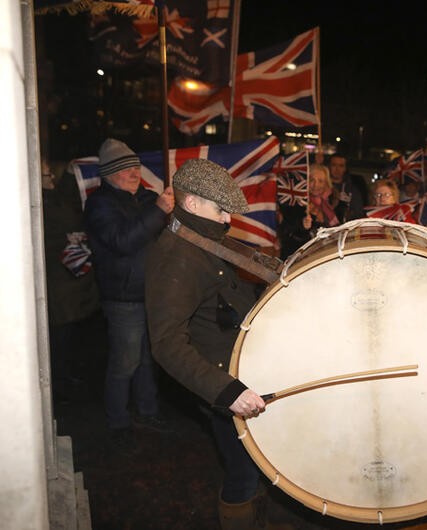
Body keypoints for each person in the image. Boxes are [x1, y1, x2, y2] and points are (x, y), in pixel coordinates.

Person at [144, 159, 284, 530]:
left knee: (259, 464)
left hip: (237, 366)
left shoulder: (201, 236)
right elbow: (166, 344)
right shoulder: (176, 257)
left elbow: (254, 266)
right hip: (221, 382)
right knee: (243, 472)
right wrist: (228, 392)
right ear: (192, 205)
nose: (227, 220)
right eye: (221, 210)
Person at [83, 138, 174, 453]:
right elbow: (123, 240)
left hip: (153, 294)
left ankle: (148, 412)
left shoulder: (149, 199)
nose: (134, 171)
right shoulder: (100, 204)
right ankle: (118, 420)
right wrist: (159, 210)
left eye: (135, 166)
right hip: (123, 298)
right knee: (125, 362)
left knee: (148, 359)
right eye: (125, 168)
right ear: (109, 173)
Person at [42, 159, 101, 403]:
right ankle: (58, 384)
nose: (50, 178)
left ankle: (63, 380)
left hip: (65, 284)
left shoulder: (53, 201)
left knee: (64, 338)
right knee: (59, 340)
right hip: (59, 284)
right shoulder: (44, 205)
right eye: (47, 175)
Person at [328, 153, 366, 222]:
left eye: (341, 166)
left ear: (345, 168)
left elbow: (359, 213)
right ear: (329, 166)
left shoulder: (352, 189)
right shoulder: (322, 187)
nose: (337, 169)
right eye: (334, 165)